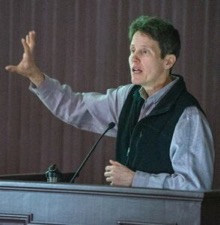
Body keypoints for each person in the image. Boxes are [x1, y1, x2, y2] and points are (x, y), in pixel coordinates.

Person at [5, 15, 214, 191]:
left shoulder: (187, 115)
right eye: (132, 49)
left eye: (144, 51)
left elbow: (195, 187)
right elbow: (76, 108)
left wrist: (135, 180)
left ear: (168, 61)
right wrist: (35, 76)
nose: (134, 58)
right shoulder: (126, 97)